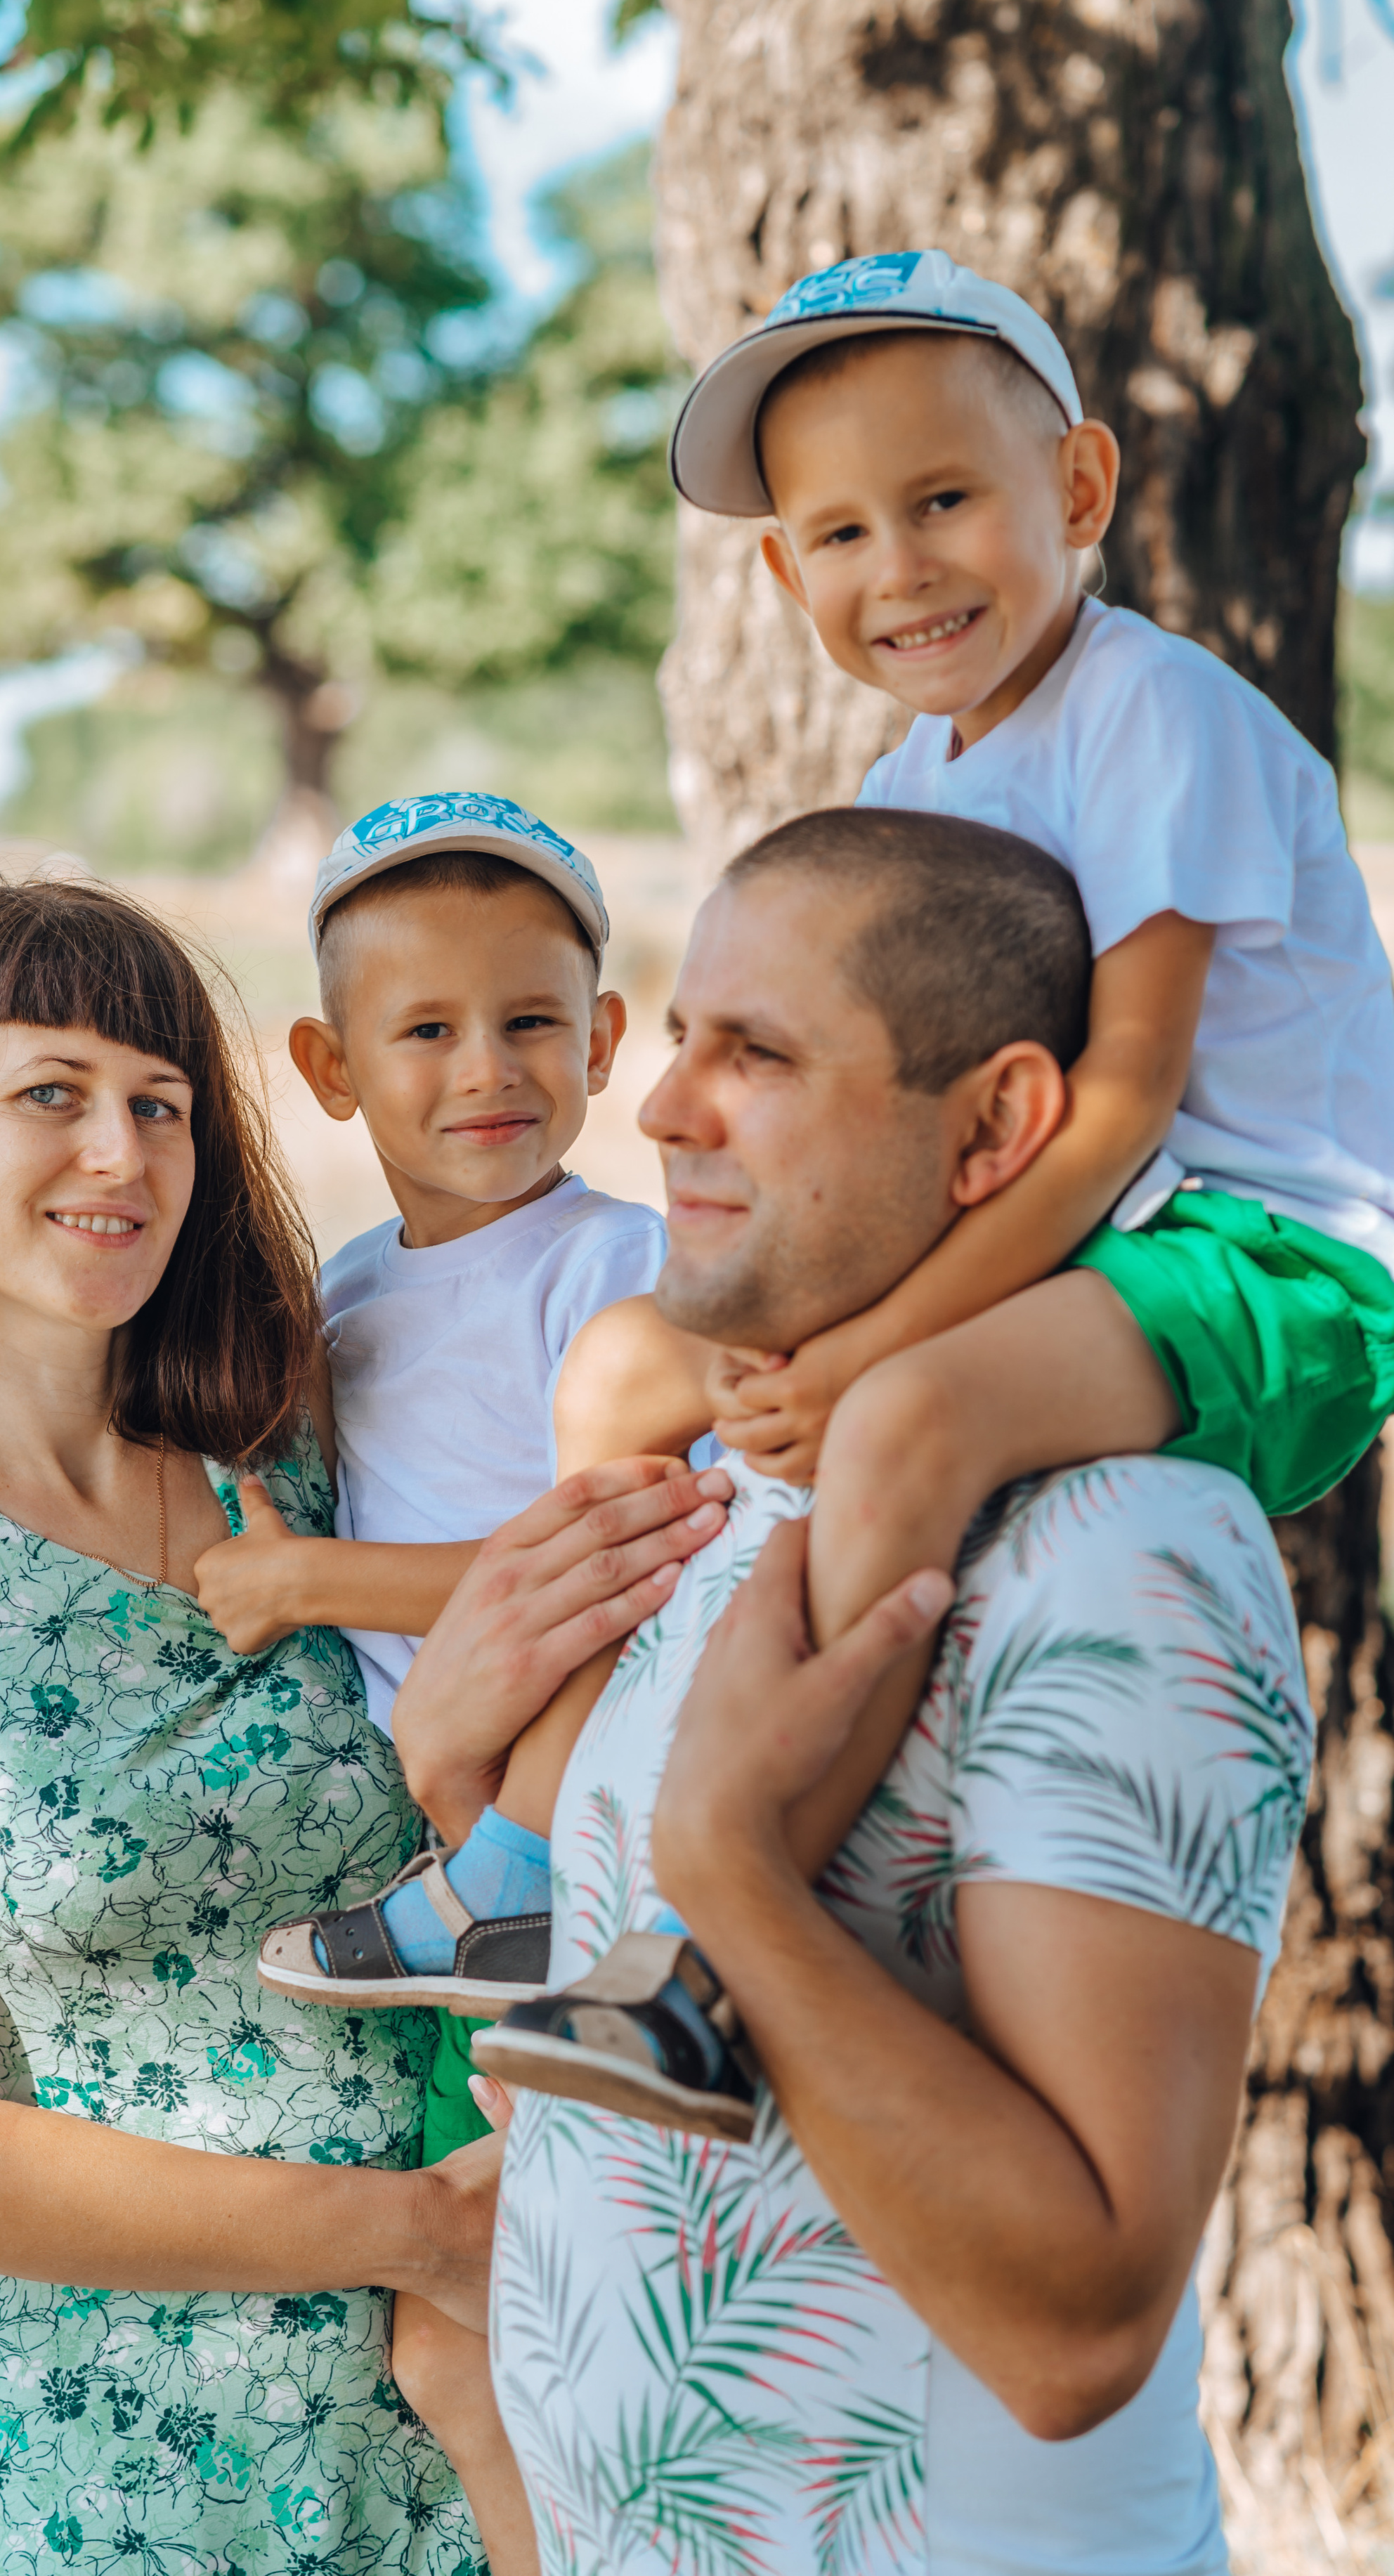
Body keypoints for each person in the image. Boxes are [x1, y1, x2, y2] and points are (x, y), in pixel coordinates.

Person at [360, 247, 1394, 2122]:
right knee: (618, 1377)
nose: (897, 570)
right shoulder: (917, 775)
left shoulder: (1160, 715)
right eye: (837, 532)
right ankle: (529, 1863)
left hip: (1260, 1254)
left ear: (1074, 491)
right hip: (1055, 1227)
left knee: (904, 1420)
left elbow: (1126, 1100)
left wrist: (869, 1346)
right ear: (781, 575)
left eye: (943, 502)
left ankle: (708, 1956)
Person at [0, 877, 731, 2576]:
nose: (121, 1154)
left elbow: (521, 1779)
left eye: (160, 1105)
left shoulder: (305, 1445)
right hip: (104, 2475)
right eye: (52, 1093)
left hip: (481, 2446)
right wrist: (420, 2234)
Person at [398, 812, 1314, 2570]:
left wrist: (730, 1871)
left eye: (759, 1057)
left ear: (997, 1129)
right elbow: (585, 2080)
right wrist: (457, 1780)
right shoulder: (742, 1497)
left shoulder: (1113, 1548)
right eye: (679, 1042)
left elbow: (1074, 2329)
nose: (662, 1113)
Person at [188, 795, 691, 2567]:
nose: (486, 1070)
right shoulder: (347, 1300)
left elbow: (585, 1561)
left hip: (568, 1834)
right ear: (330, 1067)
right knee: (454, 2340)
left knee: (584, 2319)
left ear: (605, 1042)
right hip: (458, 1847)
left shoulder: (612, 1270)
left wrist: (305, 1583)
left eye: (532, 1022)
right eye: (425, 1031)